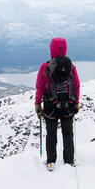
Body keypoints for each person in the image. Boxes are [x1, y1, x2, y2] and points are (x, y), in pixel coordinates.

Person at [35, 37, 80, 171]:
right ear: (65, 49)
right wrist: (76, 102)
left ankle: (51, 161)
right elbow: (76, 85)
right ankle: (69, 161)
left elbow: (40, 87)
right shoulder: (71, 67)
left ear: (51, 49)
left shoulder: (45, 67)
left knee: (51, 134)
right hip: (68, 107)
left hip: (51, 108)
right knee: (68, 134)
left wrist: (37, 104)